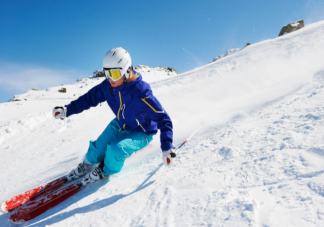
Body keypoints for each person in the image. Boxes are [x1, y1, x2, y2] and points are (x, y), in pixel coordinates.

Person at [52, 47, 176, 185]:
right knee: (96, 150)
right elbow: (89, 99)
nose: (110, 79)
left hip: (142, 132)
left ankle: (105, 171)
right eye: (107, 73)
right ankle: (87, 165)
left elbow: (163, 118)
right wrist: (67, 110)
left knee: (116, 149)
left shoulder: (140, 92)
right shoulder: (108, 86)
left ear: (127, 71)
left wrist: (167, 146)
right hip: (120, 124)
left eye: (115, 74)